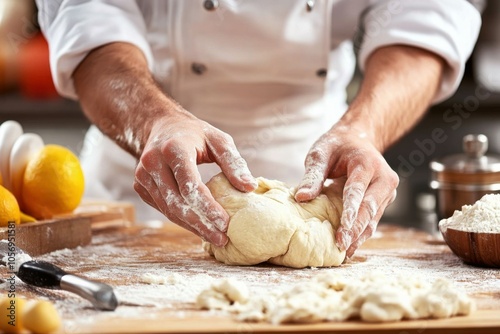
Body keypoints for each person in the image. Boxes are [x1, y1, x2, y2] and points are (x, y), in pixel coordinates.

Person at [35, 0, 481, 257]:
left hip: (315, 166)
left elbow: (426, 16)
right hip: (146, 182)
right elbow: (87, 18)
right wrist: (154, 122)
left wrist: (365, 129)